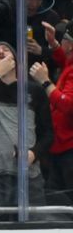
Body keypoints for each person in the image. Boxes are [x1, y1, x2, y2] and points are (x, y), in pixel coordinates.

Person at [0, 41, 52, 220]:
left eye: (6, 49)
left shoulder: (34, 90)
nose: (0, 52)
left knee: (37, 230)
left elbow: (48, 134)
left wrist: (33, 153)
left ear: (16, 59)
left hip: (29, 176)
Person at [30, 20, 73, 203]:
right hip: (60, 146)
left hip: (69, 150)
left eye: (63, 40)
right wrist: (54, 44)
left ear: (70, 45)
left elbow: (68, 104)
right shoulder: (69, 63)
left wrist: (45, 82)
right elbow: (64, 60)